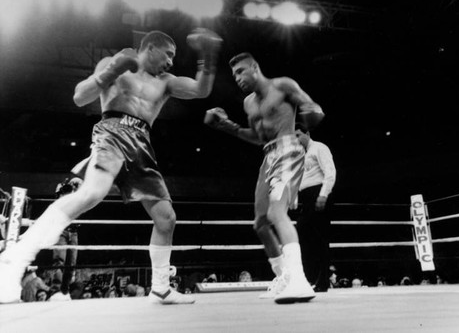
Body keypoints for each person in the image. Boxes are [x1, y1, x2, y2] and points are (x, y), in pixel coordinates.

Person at [0, 28, 222, 304]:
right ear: (150, 48)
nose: (171, 62)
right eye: (168, 55)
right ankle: (15, 259)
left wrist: (209, 55)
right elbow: (80, 97)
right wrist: (112, 70)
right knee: (91, 194)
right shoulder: (115, 64)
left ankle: (161, 287)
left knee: (166, 217)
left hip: (142, 144)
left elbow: (201, 90)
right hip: (112, 132)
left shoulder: (166, 81)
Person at [204, 52, 324, 304]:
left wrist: (310, 115)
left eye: (241, 71)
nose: (237, 78)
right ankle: (284, 277)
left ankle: (300, 280)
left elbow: (315, 111)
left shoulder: (282, 85)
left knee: (276, 213)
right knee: (260, 223)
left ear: (255, 68)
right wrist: (226, 125)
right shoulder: (249, 103)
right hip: (268, 156)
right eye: (234, 74)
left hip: (288, 149)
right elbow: (258, 137)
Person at [295, 127, 336, 292]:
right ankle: (312, 278)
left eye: (298, 135)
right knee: (304, 236)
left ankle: (323, 281)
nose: (296, 139)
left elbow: (330, 171)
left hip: (317, 195)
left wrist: (323, 194)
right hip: (307, 198)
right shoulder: (303, 155)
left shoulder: (320, 147)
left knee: (319, 239)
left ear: (307, 134)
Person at [51, 177, 83, 294]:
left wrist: (76, 192)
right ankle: (56, 290)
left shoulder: (80, 198)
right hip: (61, 231)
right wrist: (60, 192)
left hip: (74, 232)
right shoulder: (61, 192)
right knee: (59, 261)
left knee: (71, 263)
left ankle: (65, 291)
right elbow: (56, 207)